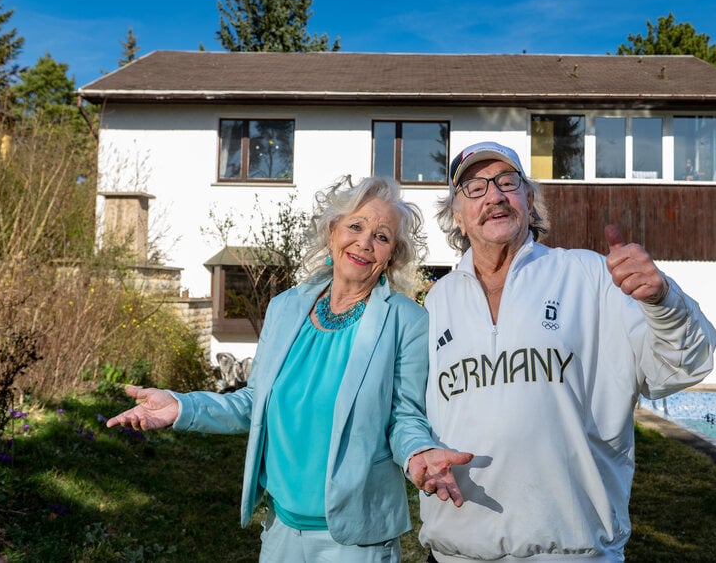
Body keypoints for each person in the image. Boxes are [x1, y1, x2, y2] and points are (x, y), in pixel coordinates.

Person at [106, 175, 470, 563]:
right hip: (280, 530)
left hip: (356, 538)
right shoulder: (284, 307)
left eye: (382, 237)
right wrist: (181, 406)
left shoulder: (406, 321)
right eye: (356, 226)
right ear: (332, 232)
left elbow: (404, 417)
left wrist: (418, 453)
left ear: (391, 256)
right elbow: (253, 402)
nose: (365, 242)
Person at [418, 142, 716, 562]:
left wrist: (662, 301)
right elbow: (414, 413)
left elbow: (682, 366)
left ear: (529, 200)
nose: (494, 196)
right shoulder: (437, 302)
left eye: (507, 182)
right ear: (457, 216)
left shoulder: (589, 276)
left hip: (571, 552)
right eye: (475, 187)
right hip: (455, 553)